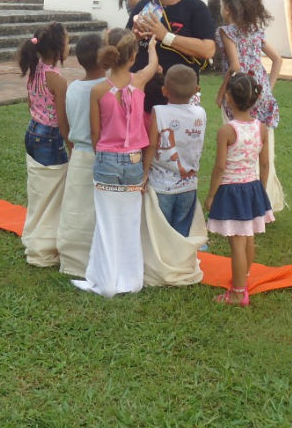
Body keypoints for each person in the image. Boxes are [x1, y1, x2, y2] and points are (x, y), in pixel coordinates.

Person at [73, 28, 159, 297]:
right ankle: (130, 280)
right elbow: (154, 65)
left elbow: (96, 134)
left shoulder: (98, 90)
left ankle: (105, 279)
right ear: (133, 57)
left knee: (106, 224)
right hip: (134, 162)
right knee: (129, 223)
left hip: (107, 161)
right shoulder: (141, 81)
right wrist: (153, 45)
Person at [204, 74, 274, 306]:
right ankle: (243, 278)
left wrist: (212, 195)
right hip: (252, 188)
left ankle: (237, 292)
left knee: (237, 245)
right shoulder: (261, 128)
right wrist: (261, 190)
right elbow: (264, 163)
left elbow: (220, 166)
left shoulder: (227, 131)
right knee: (248, 238)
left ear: (229, 99)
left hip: (232, 191)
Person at [214, 0, 285, 211]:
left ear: (227, 9)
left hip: (239, 92)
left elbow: (235, 66)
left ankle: (240, 202)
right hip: (259, 94)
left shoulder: (227, 32)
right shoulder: (255, 31)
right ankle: (265, 200)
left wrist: (221, 91)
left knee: (238, 151)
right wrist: (267, 89)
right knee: (262, 149)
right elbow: (277, 60)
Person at [18, 21, 71, 268]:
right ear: (59, 48)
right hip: (50, 137)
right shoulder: (58, 80)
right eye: (68, 41)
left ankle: (34, 239)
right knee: (52, 195)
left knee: (39, 191)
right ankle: (42, 250)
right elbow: (63, 122)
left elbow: (31, 105)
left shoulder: (34, 70)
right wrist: (72, 149)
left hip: (32, 132)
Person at [57, 33, 107, 277]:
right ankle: (95, 257)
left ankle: (73, 260)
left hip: (78, 152)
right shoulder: (107, 89)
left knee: (76, 209)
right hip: (100, 154)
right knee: (96, 210)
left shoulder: (74, 88)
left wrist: (70, 145)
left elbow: (65, 121)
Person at [128, 0, 216, 84]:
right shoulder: (143, 5)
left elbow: (208, 50)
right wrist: (134, 37)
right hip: (141, 89)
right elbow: (124, 47)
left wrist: (165, 36)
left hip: (180, 92)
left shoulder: (196, 8)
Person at [143, 65, 207, 237]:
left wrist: (144, 174)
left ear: (164, 90)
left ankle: (163, 264)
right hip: (189, 185)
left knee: (160, 234)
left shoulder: (159, 111)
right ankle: (179, 262)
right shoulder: (201, 113)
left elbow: (152, 145)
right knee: (181, 233)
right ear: (196, 90)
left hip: (161, 185)